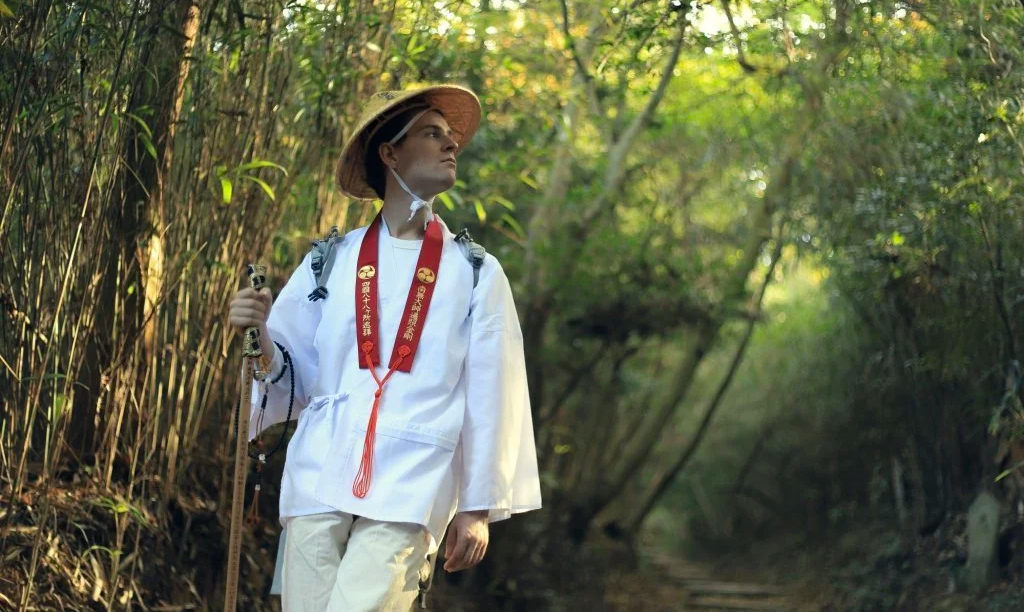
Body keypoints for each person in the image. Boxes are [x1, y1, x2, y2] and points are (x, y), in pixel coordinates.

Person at [228, 84, 542, 611]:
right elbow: (288, 377)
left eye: (451, 138)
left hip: (415, 475)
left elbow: (494, 392)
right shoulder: (331, 259)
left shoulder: (476, 273)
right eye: (432, 133)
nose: (451, 147)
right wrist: (256, 333)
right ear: (390, 153)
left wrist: (478, 506)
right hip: (319, 468)